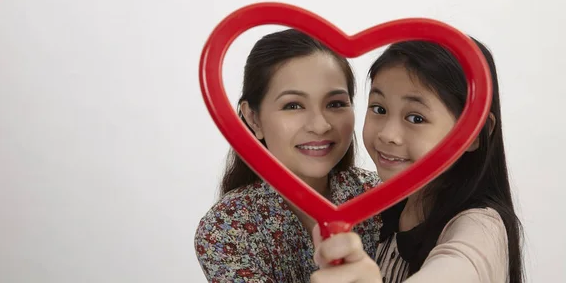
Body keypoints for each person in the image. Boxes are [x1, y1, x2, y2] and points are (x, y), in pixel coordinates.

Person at [310, 38, 525, 283]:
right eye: (379, 109)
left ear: (476, 133)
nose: (387, 135)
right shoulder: (381, 208)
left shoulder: (481, 228)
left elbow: (458, 269)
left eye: (416, 118)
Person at [194, 29, 381, 282]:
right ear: (253, 118)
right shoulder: (226, 229)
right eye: (293, 105)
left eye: (335, 103)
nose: (320, 125)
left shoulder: (383, 199)